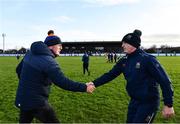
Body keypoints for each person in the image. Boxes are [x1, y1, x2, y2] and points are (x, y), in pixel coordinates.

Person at [87, 29, 175, 123]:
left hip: (149, 103)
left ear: (132, 44)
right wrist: (94, 83)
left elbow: (165, 81)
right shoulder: (124, 60)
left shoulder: (148, 60)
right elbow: (110, 75)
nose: (122, 45)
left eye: (124, 43)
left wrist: (168, 105)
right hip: (134, 101)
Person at [15, 35, 95, 123]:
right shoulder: (49, 61)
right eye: (59, 45)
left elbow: (18, 70)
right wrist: (84, 87)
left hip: (22, 98)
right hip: (37, 102)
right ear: (51, 46)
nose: (61, 48)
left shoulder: (30, 53)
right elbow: (63, 82)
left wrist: (30, 83)